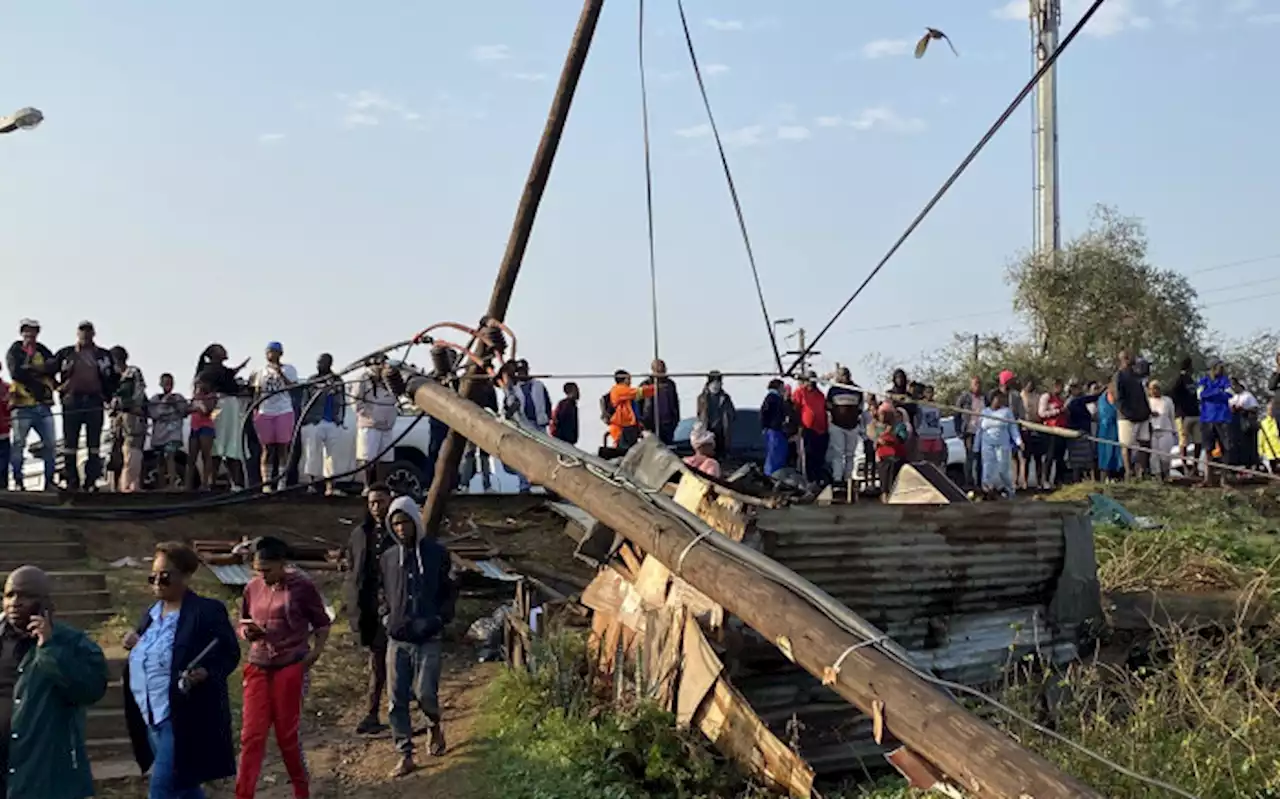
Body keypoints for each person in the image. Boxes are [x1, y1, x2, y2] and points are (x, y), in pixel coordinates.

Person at [123, 542, 239, 799]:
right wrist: (136, 644)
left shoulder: (205, 612)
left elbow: (229, 654)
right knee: (184, 788)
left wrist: (207, 672)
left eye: (164, 576)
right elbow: (154, 653)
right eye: (152, 576)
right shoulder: (151, 615)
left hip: (183, 716)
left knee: (162, 790)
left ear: (186, 576)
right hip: (150, 715)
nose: (157, 582)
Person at [1, 565, 108, 798]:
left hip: (43, 774)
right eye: (9, 595)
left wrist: (49, 648)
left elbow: (90, 689)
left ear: (45, 603)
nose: (15, 602)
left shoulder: (72, 643)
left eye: (26, 595)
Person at [236, 537, 331, 799]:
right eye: (257, 569)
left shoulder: (302, 587)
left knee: (286, 735)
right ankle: (244, 794)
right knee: (251, 735)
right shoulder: (251, 588)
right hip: (258, 665)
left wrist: (315, 653)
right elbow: (242, 621)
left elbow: (322, 623)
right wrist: (247, 632)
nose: (262, 575)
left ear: (282, 564)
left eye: (267, 569)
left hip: (290, 664)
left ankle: (301, 790)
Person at [379, 496, 457, 777]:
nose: (401, 528)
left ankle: (433, 725)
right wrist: (386, 616)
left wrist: (439, 619)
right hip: (397, 639)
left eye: (405, 522)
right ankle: (405, 753)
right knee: (396, 699)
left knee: (426, 693)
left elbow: (450, 590)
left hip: (429, 637)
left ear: (415, 521)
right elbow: (382, 592)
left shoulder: (436, 553)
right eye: (395, 523)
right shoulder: (388, 558)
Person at [343, 484, 395, 735]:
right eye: (373, 503)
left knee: (398, 662)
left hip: (396, 606)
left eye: (381, 502)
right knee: (376, 661)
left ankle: (402, 713)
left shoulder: (399, 531)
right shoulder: (359, 534)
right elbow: (352, 571)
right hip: (369, 607)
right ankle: (372, 712)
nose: (377, 508)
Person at [5, 319, 57, 489]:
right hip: (22, 406)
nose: (31, 334)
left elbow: (54, 365)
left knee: (50, 444)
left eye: (34, 331)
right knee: (19, 445)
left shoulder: (42, 350)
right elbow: (17, 373)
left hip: (43, 406)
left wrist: (32, 369)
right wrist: (39, 373)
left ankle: (49, 481)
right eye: (27, 331)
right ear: (22, 332)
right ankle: (19, 480)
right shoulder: (15, 350)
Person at [195, 344, 251, 491]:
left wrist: (240, 368)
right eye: (221, 350)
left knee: (226, 445)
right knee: (221, 444)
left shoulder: (214, 370)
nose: (225, 351)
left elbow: (228, 374)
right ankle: (214, 481)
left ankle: (224, 482)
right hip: (221, 407)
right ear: (214, 354)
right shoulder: (210, 371)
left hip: (228, 406)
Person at [249, 343, 299, 493]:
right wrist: (255, 410)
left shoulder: (289, 369)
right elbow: (257, 392)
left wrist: (280, 373)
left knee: (282, 447)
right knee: (267, 448)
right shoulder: (260, 372)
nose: (269, 355)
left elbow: (293, 387)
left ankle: (281, 483)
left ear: (280, 353)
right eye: (268, 352)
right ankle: (267, 483)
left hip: (283, 410)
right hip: (265, 411)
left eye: (273, 352)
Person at [299, 353, 346, 497]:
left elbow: (342, 400)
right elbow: (304, 402)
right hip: (315, 421)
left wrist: (340, 418)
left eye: (323, 362)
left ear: (330, 363)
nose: (319, 364)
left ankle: (330, 487)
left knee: (332, 456)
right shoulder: (312, 381)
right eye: (318, 362)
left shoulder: (337, 380)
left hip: (332, 421)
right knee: (313, 453)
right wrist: (306, 419)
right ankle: (311, 484)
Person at [354, 357, 398, 494]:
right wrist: (370, 415)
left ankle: (382, 487)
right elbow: (356, 401)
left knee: (385, 459)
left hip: (387, 425)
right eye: (379, 364)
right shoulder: (363, 378)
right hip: (370, 425)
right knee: (367, 457)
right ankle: (367, 486)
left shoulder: (389, 378)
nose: (382, 366)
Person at [110, 346, 148, 493]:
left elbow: (139, 392)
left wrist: (133, 406)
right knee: (116, 452)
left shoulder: (133, 373)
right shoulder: (110, 377)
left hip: (133, 417)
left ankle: (131, 485)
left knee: (133, 450)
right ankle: (117, 486)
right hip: (116, 418)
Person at [1112, 351, 1151, 480]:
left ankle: (1141, 472)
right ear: (1125, 359)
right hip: (1127, 417)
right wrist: (1128, 414)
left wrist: (1147, 411)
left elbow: (1142, 394)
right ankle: (1129, 472)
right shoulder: (1119, 376)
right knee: (1126, 445)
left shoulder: (1136, 375)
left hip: (1142, 415)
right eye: (1131, 357)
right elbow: (1118, 398)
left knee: (1144, 443)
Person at [978, 390, 1023, 498]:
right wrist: (976, 446)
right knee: (987, 468)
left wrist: (1019, 441)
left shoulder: (1006, 412)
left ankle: (1010, 491)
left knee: (1003, 470)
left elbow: (1013, 428)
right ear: (992, 399)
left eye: (1002, 398)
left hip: (1002, 445)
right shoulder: (984, 412)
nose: (1000, 400)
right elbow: (979, 430)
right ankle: (987, 492)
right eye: (998, 398)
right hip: (987, 445)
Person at [150, 374, 189, 491]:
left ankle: (172, 483)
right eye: (165, 382)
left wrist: (175, 405)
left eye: (170, 382)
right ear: (160, 384)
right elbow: (154, 414)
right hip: (159, 434)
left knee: (170, 456)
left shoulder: (179, 397)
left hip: (173, 433)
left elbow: (184, 412)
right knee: (160, 459)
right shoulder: (155, 399)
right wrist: (163, 403)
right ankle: (161, 484)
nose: (168, 385)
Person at [1197, 360, 1233, 487]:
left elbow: (1230, 394)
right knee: (1208, 449)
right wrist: (1217, 393)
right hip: (1207, 418)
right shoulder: (1203, 381)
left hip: (1223, 417)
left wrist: (1211, 394)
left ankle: (1224, 479)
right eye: (1219, 367)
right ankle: (1208, 478)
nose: (1221, 369)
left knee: (1225, 448)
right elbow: (1200, 395)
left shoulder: (1225, 380)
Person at [825, 367, 863, 485]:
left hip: (852, 426)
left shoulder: (856, 389)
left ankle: (848, 478)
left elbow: (861, 407)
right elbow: (828, 405)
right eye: (842, 375)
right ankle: (837, 478)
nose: (844, 377)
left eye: (846, 374)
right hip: (837, 425)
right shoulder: (833, 390)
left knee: (850, 454)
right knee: (838, 453)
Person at [791, 372, 829, 483]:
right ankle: (809, 480)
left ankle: (818, 480)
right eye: (809, 380)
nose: (811, 383)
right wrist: (798, 426)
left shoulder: (820, 394)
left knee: (819, 457)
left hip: (822, 430)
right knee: (808, 456)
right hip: (808, 429)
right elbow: (795, 410)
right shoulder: (800, 392)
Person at [603, 371, 653, 451]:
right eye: (629, 379)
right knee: (625, 452)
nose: (630, 381)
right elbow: (639, 392)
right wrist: (654, 388)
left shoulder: (625, 393)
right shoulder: (619, 390)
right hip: (622, 429)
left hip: (628, 428)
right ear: (624, 379)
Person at [868, 401, 908, 500]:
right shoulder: (875, 426)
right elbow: (872, 436)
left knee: (894, 482)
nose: (884, 416)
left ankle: (893, 498)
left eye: (886, 414)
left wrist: (892, 439)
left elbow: (902, 438)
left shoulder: (899, 426)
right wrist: (879, 439)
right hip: (882, 457)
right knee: (884, 482)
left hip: (896, 457)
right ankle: (885, 497)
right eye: (882, 413)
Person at [1064, 380, 1102, 483]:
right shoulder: (1075, 401)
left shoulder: (1071, 401)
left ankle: (1081, 480)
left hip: (1078, 432)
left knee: (1080, 460)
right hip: (1079, 433)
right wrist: (1103, 390)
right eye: (1077, 388)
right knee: (1083, 460)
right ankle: (1082, 480)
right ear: (1072, 390)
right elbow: (1092, 397)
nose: (1079, 390)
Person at [638, 360, 680, 445]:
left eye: (663, 369)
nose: (662, 371)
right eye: (659, 369)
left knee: (667, 449)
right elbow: (638, 404)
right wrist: (642, 422)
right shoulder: (645, 385)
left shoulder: (670, 384)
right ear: (653, 370)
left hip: (667, 424)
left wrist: (676, 419)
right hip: (650, 423)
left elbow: (675, 402)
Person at [186, 380, 218, 491]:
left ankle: (205, 483)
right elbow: (187, 410)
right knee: (191, 457)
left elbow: (207, 411)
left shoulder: (211, 396)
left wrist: (199, 405)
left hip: (206, 427)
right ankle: (188, 485)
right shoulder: (194, 398)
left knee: (206, 455)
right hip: (194, 427)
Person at [696, 371, 736, 460]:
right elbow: (699, 415)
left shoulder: (725, 398)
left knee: (720, 457)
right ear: (709, 383)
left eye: (718, 382)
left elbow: (732, 415)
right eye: (714, 382)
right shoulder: (702, 398)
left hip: (721, 432)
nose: (716, 385)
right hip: (707, 432)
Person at [955, 376, 985, 489]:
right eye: (975, 384)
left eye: (979, 383)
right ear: (971, 385)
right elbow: (957, 413)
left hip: (981, 431)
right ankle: (969, 482)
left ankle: (980, 482)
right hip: (969, 431)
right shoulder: (965, 397)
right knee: (970, 457)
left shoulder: (983, 398)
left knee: (980, 458)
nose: (977, 386)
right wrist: (958, 430)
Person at [1038, 380, 1068, 489]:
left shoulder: (1061, 399)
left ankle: (1058, 480)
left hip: (1062, 429)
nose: (1060, 389)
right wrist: (1057, 411)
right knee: (1050, 456)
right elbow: (1041, 413)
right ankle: (1045, 479)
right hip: (1051, 430)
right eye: (1058, 387)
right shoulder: (1047, 397)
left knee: (1060, 456)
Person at [1147, 379, 1176, 481]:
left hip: (1166, 429)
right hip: (1153, 430)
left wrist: (1174, 430)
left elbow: (1172, 416)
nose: (1154, 391)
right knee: (1154, 455)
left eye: (1156, 388)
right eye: (1151, 389)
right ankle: (1157, 475)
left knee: (1165, 454)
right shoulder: (1148, 401)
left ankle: (1166, 473)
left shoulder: (1167, 400)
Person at [759, 380, 790, 477]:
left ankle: (775, 474)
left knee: (778, 453)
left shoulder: (777, 399)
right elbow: (764, 413)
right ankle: (770, 475)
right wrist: (765, 426)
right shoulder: (772, 398)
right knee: (773, 454)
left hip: (777, 429)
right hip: (773, 430)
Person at [1228, 377, 1260, 470]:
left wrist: (1243, 409)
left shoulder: (1247, 396)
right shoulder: (1232, 397)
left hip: (1245, 422)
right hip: (1234, 424)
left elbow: (1255, 408)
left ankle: (1250, 464)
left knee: (1248, 445)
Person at [1019, 378, 1045, 490]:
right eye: (1028, 384)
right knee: (1026, 458)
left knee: (1038, 457)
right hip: (1026, 429)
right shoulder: (1021, 396)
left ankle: (1039, 482)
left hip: (1037, 427)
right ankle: (1024, 482)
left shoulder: (1038, 396)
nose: (1030, 386)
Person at [1096, 385, 1123, 480]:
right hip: (1105, 429)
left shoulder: (1119, 399)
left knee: (1116, 454)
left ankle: (1115, 478)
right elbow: (1105, 414)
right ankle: (1104, 479)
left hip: (1116, 429)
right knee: (1105, 455)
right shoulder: (1102, 400)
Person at [550, 382, 580, 446]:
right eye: (576, 390)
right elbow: (559, 420)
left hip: (566, 440)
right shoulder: (566, 404)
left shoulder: (571, 405)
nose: (578, 392)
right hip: (564, 441)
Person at [1259, 399, 1280, 473]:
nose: (1271, 411)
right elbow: (1261, 439)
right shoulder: (1263, 423)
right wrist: (1260, 452)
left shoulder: (1277, 421)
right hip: (1269, 453)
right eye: (1269, 409)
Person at [0, 373, 10, 490]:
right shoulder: (6, 388)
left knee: (4, 463)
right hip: (4, 430)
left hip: (4, 432)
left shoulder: (7, 388)